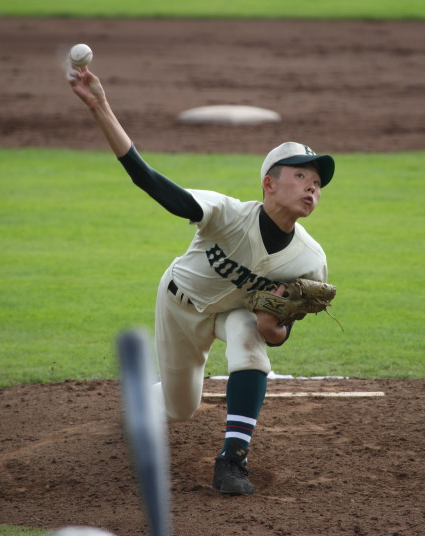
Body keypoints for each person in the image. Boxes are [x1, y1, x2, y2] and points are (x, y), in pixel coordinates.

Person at [67, 64, 335, 496]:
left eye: (317, 183)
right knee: (179, 407)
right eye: (301, 176)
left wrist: (273, 328)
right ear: (269, 183)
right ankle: (142, 402)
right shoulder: (226, 213)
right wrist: (100, 106)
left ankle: (232, 460)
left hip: (232, 314)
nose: (311, 188)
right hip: (179, 305)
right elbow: (153, 183)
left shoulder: (310, 260)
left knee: (250, 342)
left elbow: (279, 333)